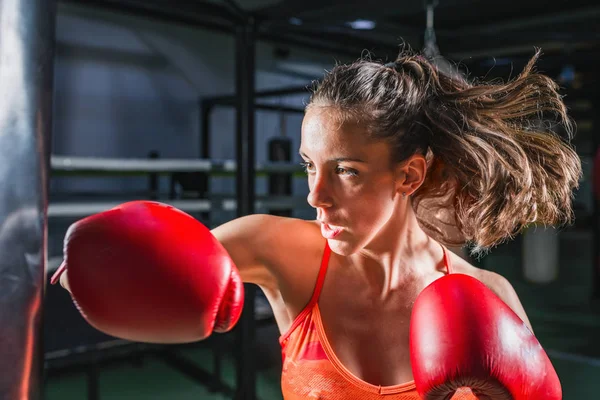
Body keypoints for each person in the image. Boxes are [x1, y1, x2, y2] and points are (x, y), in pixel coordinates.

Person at [52, 49, 581, 399]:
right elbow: (142, 268)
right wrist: (98, 265)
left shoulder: (486, 294)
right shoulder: (277, 249)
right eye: (310, 164)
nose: (315, 195)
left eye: (346, 171)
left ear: (410, 175)